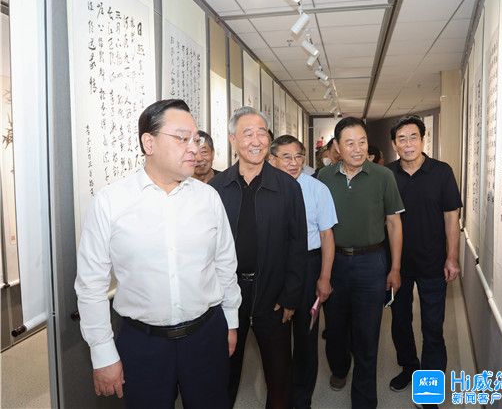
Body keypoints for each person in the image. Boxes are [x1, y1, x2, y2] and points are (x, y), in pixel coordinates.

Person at [75, 99, 241, 408]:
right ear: (148, 143)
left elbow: (224, 264)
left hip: (206, 335)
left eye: (196, 139)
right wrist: (102, 352)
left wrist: (230, 320)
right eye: (182, 138)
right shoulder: (110, 203)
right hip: (143, 343)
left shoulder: (208, 198)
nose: (194, 148)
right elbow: (90, 285)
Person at [210, 106, 307, 409]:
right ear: (232, 140)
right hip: (228, 295)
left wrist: (290, 297)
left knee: (279, 377)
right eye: (247, 133)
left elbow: (297, 245)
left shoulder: (288, 187)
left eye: (262, 133)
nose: (256, 140)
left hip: (273, 295)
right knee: (223, 374)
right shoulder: (216, 189)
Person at [317, 117, 404, 408]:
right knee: (335, 328)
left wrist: (395, 268)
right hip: (335, 262)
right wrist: (323, 273)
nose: (357, 149)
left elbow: (394, 223)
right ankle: (340, 367)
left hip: (371, 262)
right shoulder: (324, 177)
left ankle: (364, 400)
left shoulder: (383, 176)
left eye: (362, 142)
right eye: (350, 143)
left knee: (368, 334)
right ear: (337, 147)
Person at [386, 116, 462, 395]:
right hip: (397, 264)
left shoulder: (441, 172)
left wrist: (452, 257)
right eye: (402, 139)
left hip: (433, 262)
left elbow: (451, 217)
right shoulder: (387, 175)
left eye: (413, 137)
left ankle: (429, 386)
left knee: (432, 326)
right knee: (400, 322)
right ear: (394, 144)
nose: (408, 144)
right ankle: (408, 367)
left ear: (422, 139)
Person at [268, 135, 338, 409]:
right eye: (286, 157)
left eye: (298, 156)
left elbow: (327, 236)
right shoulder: (265, 188)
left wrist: (325, 277)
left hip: (309, 266)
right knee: (276, 338)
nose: (294, 162)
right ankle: (280, 397)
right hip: (276, 268)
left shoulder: (317, 189)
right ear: (272, 159)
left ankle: (302, 399)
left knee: (306, 338)